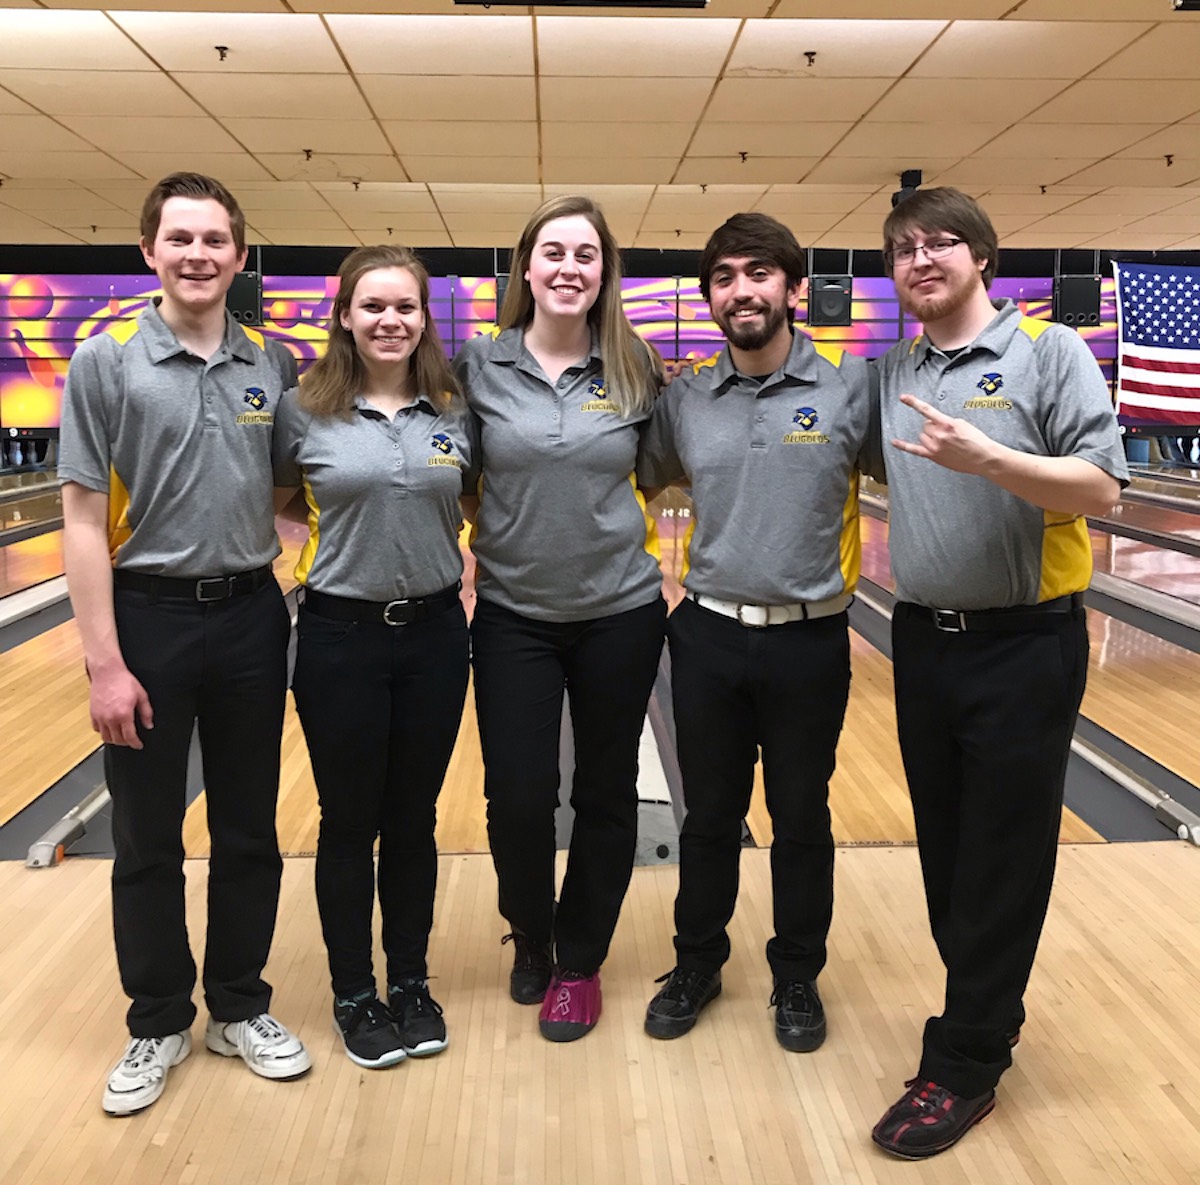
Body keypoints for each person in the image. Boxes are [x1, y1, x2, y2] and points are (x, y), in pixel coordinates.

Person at [869, 188, 1128, 1159]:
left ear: (981, 256)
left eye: (940, 242)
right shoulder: (893, 367)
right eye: (902, 248)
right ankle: (978, 1006)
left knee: (1004, 858)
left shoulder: (1049, 352)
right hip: (924, 643)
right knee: (948, 853)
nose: (920, 257)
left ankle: (967, 1060)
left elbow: (1103, 485)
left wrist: (993, 460)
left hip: (1026, 644)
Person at [59, 172, 310, 1117]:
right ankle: (158, 1017)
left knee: (251, 827)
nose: (198, 254)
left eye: (215, 240)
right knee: (145, 835)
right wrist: (104, 660)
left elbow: (289, 492)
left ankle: (239, 1005)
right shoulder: (106, 358)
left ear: (239, 256)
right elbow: (82, 520)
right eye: (181, 239)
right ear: (150, 252)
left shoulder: (271, 364)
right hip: (149, 616)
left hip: (252, 614)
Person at [637, 213, 875, 1052]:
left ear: (793, 288)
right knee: (709, 817)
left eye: (760, 272)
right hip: (705, 634)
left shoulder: (851, 389)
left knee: (801, 816)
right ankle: (697, 960)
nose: (742, 289)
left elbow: (922, 474)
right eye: (725, 276)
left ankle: (797, 974)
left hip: (810, 641)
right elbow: (625, 476)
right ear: (711, 295)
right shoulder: (687, 397)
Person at [453, 195, 666, 1042]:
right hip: (512, 614)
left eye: (587, 253)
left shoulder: (636, 368)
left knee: (607, 793)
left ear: (604, 271)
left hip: (619, 611)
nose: (570, 267)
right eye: (554, 252)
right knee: (517, 795)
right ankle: (531, 934)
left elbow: (655, 478)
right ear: (527, 269)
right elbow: (461, 472)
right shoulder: (478, 365)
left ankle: (579, 959)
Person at [272, 245, 476, 1069]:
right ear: (346, 316)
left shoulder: (454, 410)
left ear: (424, 318)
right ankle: (355, 990)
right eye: (373, 306)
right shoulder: (302, 411)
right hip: (339, 637)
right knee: (349, 821)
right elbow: (281, 501)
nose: (390, 321)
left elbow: (471, 500)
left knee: (415, 818)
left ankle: (412, 981)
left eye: (405, 307)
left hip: (433, 635)